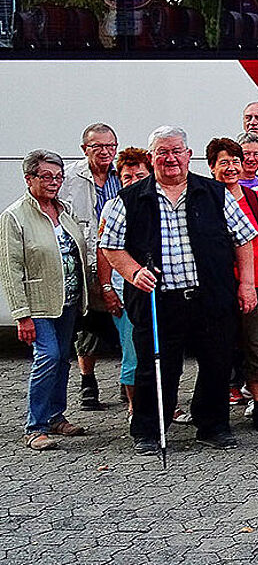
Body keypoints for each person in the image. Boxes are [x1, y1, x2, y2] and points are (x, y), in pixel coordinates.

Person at [100, 126, 258, 455]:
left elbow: (244, 238)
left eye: (176, 151)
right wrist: (133, 272)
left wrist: (246, 284)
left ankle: (212, 425)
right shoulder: (129, 199)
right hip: (157, 302)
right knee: (156, 366)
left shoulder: (215, 193)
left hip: (210, 297)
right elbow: (111, 247)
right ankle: (149, 429)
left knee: (217, 363)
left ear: (189, 155)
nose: (170, 158)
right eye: (162, 152)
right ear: (152, 157)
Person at [1, 150, 92, 451]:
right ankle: (35, 426)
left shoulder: (62, 210)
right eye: (46, 177)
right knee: (49, 356)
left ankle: (55, 415)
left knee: (62, 359)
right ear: (29, 179)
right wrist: (21, 314)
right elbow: (10, 269)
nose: (54, 182)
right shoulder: (15, 216)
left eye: (58, 177)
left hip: (68, 299)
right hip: (38, 302)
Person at [207, 138, 258, 434]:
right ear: (211, 167)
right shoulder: (205, 198)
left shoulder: (254, 199)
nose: (231, 168)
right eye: (223, 162)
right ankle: (217, 408)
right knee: (219, 345)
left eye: (235, 161)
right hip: (219, 283)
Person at [63, 123, 121, 411]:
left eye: (110, 146)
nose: (104, 152)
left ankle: (127, 382)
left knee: (122, 318)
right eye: (97, 146)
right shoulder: (70, 178)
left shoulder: (122, 174)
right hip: (85, 258)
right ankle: (88, 381)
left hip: (118, 257)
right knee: (89, 323)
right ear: (84, 149)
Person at [95, 148, 152, 422]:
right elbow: (104, 250)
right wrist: (107, 288)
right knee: (133, 351)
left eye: (140, 175)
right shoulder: (113, 206)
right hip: (125, 290)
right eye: (127, 176)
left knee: (160, 350)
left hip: (159, 290)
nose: (133, 180)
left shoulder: (158, 203)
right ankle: (134, 407)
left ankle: (165, 404)